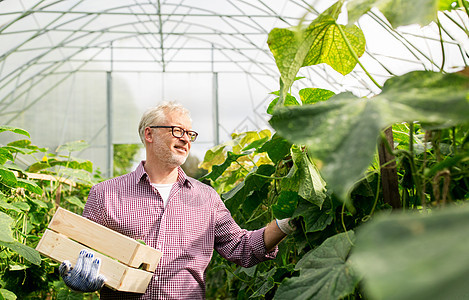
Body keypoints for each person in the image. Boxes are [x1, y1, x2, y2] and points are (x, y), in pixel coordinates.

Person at [59, 101, 295, 299]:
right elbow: (78, 252)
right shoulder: (105, 194)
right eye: (177, 131)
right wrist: (73, 275)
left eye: (190, 134)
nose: (186, 139)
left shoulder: (206, 198)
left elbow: (241, 248)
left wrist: (286, 222)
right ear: (149, 133)